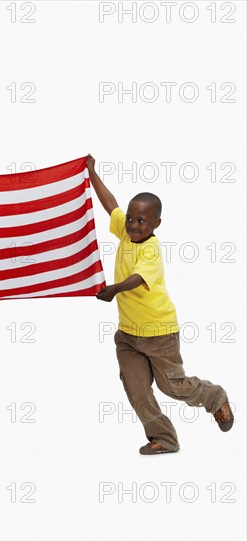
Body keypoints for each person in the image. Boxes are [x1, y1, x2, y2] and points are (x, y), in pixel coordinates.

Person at [87, 154, 234, 454]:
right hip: (128, 335)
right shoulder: (125, 232)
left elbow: (138, 279)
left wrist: (113, 289)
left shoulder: (151, 249)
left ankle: (214, 397)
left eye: (141, 220)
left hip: (159, 333)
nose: (133, 225)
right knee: (136, 389)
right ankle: (164, 439)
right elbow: (110, 205)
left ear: (156, 223)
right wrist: (92, 173)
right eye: (130, 218)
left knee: (172, 386)